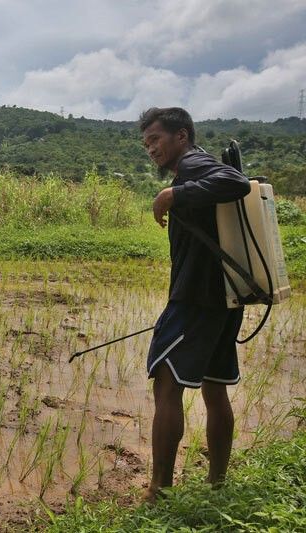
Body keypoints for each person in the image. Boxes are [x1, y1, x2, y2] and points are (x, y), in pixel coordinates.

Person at [138, 107, 251, 503]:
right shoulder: (191, 166)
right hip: (223, 298)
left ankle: (159, 493)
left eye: (156, 139)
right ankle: (217, 484)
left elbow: (235, 181)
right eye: (146, 142)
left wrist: (173, 194)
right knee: (214, 388)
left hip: (197, 298)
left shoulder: (195, 163)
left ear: (181, 136)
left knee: (166, 386)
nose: (150, 148)